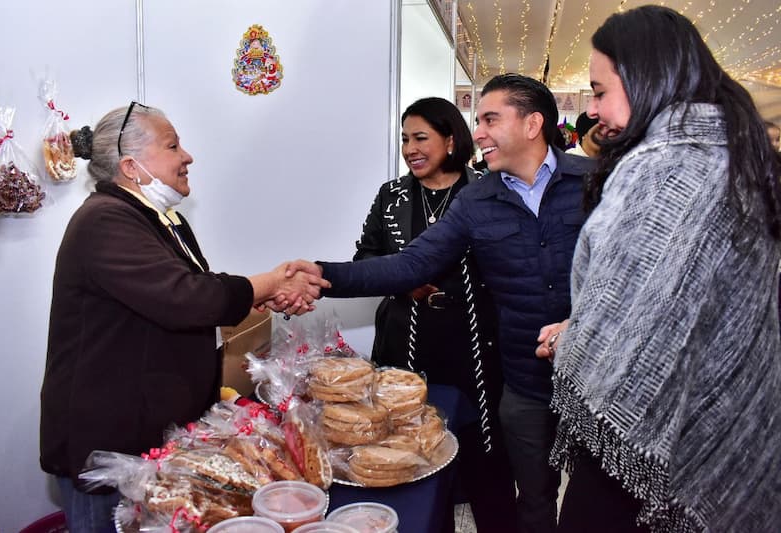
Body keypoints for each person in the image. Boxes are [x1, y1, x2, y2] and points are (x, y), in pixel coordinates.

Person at [289, 74, 596, 533]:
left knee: (599, 503)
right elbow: (409, 265)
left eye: (491, 119)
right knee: (534, 497)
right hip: (525, 384)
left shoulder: (596, 182)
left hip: (602, 379)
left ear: (533, 123)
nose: (481, 133)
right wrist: (316, 274)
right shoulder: (477, 201)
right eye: (479, 121)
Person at [535, 6, 781, 532]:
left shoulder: (665, 166)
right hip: (712, 427)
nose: (594, 108)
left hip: (637, 452)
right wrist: (583, 326)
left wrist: (575, 343)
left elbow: (639, 333)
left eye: (600, 91)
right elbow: (664, 303)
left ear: (645, 76)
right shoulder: (733, 155)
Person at [39, 102, 328, 532]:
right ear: (132, 166)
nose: (187, 156)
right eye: (173, 145)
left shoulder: (158, 218)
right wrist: (269, 282)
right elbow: (186, 298)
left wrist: (259, 298)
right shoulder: (104, 222)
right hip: (108, 447)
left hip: (148, 436)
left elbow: (193, 290)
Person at [355, 96, 516, 531]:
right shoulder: (391, 196)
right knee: (408, 455)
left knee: (486, 454)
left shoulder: (487, 191)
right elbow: (366, 257)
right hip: (404, 344)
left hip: (475, 347)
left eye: (421, 137)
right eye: (405, 139)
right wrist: (401, 280)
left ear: (450, 139)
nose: (410, 148)